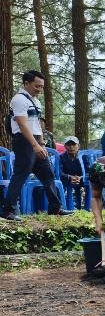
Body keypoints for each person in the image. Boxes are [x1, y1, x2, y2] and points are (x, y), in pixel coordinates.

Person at [1, 70, 71, 221]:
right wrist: (34, 144)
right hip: (24, 141)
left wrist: (41, 144)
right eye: (36, 86)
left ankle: (55, 208)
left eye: (41, 87)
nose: (39, 89)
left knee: (48, 174)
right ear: (26, 83)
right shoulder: (19, 99)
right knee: (21, 174)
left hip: (36, 143)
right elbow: (22, 124)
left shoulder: (36, 101)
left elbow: (36, 125)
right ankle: (7, 211)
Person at [59, 136, 84, 209]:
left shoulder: (84, 156)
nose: (71, 147)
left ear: (78, 146)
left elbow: (88, 171)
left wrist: (81, 178)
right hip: (67, 180)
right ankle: (67, 208)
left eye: (73, 144)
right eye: (68, 145)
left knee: (88, 184)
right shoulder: (61, 157)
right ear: (65, 146)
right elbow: (59, 172)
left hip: (81, 179)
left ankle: (86, 208)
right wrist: (69, 177)